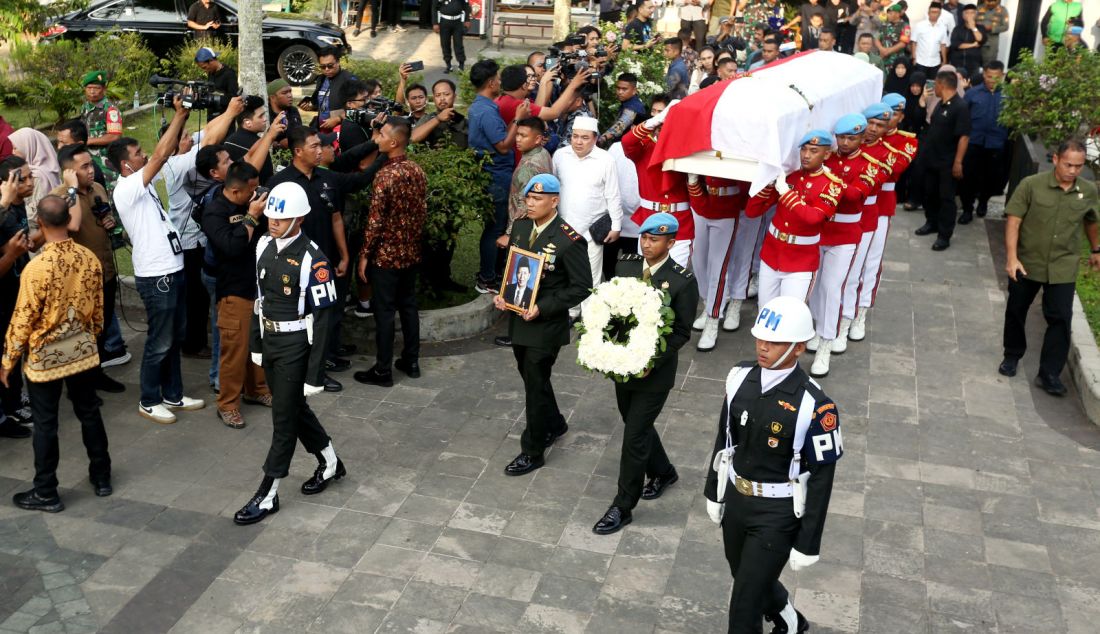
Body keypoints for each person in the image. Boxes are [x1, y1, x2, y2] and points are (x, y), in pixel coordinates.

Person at [703, 296, 843, 634]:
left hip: (777, 513)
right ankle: (789, 618)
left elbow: (822, 479)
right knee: (744, 575)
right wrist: (714, 491)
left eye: (775, 341)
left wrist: (808, 543)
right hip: (738, 499)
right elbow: (725, 439)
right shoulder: (739, 377)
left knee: (744, 603)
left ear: (799, 348)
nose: (763, 347)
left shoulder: (815, 405)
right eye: (760, 338)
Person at [233, 182, 346, 525]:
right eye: (271, 216)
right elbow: (260, 300)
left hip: (297, 346)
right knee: (294, 409)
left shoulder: (314, 259)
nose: (273, 223)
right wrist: (255, 344)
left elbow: (325, 320)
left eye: (281, 219)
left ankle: (268, 495)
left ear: (299, 219)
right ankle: (330, 462)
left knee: (283, 421)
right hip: (270, 342)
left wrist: (315, 374)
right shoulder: (264, 245)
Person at [4, 195, 111, 513]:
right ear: (68, 220)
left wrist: (8, 360)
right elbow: (98, 310)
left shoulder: (36, 270)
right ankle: (102, 476)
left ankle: (46, 491)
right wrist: (91, 337)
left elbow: (22, 319)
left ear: (39, 223)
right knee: (89, 412)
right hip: (82, 350)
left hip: (45, 360)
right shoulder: (88, 258)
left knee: (46, 423)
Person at [592, 213, 698, 535]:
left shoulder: (681, 281)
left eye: (654, 239)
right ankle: (664, 472)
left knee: (634, 436)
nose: (647, 244)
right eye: (644, 238)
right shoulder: (625, 266)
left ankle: (623, 506)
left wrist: (653, 358)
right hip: (622, 367)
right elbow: (609, 305)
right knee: (634, 423)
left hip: (654, 374)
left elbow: (681, 332)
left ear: (671, 243)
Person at [107, 99, 207, 424]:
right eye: (138, 154)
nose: (145, 155)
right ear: (126, 165)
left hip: (173, 268)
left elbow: (162, 155)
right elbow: (164, 153)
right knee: (159, 341)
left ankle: (172, 394)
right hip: (157, 275)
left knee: (174, 337)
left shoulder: (143, 186)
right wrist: (180, 115)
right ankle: (149, 399)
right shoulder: (127, 189)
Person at [267, 126, 386, 392]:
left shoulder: (326, 178)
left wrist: (344, 256)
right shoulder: (282, 184)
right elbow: (273, 226)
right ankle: (312, 374)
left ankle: (325, 361)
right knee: (306, 321)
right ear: (297, 151)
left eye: (320, 146)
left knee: (327, 316)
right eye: (314, 147)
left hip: (326, 263)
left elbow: (336, 216)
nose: (320, 151)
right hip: (296, 267)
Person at [492, 174, 591, 476]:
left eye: (537, 199)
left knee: (534, 385)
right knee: (530, 375)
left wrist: (543, 307)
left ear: (554, 201)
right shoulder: (522, 227)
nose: (530, 203)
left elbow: (581, 286)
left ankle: (532, 449)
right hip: (519, 319)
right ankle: (555, 422)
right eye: (528, 198)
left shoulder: (568, 240)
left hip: (545, 324)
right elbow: (514, 266)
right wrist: (504, 293)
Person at [1000, 139, 1099, 396]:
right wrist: (1012, 257)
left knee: (1060, 318)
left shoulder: (1087, 191)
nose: (1074, 171)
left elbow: (1091, 219)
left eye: (1079, 166)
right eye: (1068, 164)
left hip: (1063, 265)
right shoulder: (1031, 185)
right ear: (1055, 159)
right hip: (1028, 261)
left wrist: (1096, 249)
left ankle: (1049, 373)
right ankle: (1012, 355)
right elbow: (1013, 221)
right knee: (1016, 310)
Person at [157, 100, 243, 363]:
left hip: (194, 239)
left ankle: (191, 340)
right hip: (190, 242)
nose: (189, 139)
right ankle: (193, 343)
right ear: (172, 144)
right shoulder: (176, 165)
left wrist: (226, 108)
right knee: (196, 296)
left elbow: (207, 132)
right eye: (183, 137)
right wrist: (231, 113)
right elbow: (209, 143)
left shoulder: (183, 154)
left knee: (195, 295)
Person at [353, 118, 427, 387]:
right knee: (408, 306)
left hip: (385, 256)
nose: (377, 138)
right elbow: (421, 213)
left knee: (384, 312)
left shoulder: (384, 175)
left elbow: (375, 221)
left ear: (393, 142)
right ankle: (412, 361)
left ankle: (383, 370)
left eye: (382, 135)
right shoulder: (416, 170)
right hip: (411, 253)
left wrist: (364, 255)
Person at [808, 114, 881, 377]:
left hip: (846, 233)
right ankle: (818, 329)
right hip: (821, 229)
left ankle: (827, 342)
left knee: (833, 287)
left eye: (852, 138)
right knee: (816, 286)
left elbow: (854, 195)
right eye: (842, 137)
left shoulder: (869, 164)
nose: (846, 142)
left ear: (862, 138)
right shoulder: (829, 158)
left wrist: (825, 175)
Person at [50, 146, 126, 395]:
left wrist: (109, 223)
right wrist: (72, 189)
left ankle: (97, 374)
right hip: (78, 279)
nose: (92, 170)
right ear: (69, 171)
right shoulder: (59, 197)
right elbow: (69, 227)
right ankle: (79, 387)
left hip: (104, 270)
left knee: (100, 328)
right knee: (79, 334)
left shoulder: (98, 190)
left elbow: (103, 220)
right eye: (84, 167)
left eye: (91, 164)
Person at [201, 161, 272, 428]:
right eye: (251, 189)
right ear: (235, 190)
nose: (255, 194)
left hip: (258, 287)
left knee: (259, 344)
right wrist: (252, 217)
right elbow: (231, 247)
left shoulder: (250, 202)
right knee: (235, 351)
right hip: (233, 290)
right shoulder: (214, 213)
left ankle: (257, 389)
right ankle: (228, 404)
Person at [744, 130, 843, 307]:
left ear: (826, 154)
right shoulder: (791, 176)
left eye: (813, 151)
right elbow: (753, 211)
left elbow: (814, 218)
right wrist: (767, 183)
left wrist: (785, 192)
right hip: (772, 254)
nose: (806, 155)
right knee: (765, 314)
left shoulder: (832, 185)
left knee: (789, 319)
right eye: (803, 149)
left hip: (801, 261)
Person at [552, 116, 622, 319]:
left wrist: (616, 226)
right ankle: (571, 312)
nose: (578, 142)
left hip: (592, 229)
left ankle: (590, 317)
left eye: (584, 137)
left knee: (590, 275)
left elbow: (613, 194)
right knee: (566, 272)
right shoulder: (560, 156)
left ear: (595, 138)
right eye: (575, 137)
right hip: (564, 228)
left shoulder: (606, 160)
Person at [468, 60, 526, 294]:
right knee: (495, 229)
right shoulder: (486, 112)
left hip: (492, 174)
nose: (501, 82)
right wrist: (518, 118)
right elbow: (503, 146)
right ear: (491, 82)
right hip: (496, 177)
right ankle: (487, 278)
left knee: (495, 227)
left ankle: (491, 274)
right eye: (498, 79)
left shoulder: (480, 106)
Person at [622, 102, 694, 267]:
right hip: (650, 218)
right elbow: (627, 142)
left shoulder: (687, 150)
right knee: (648, 277)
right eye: (662, 127)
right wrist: (656, 119)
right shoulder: (645, 147)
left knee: (675, 278)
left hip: (679, 223)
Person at [687, 173, 748, 351]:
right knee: (698, 262)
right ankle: (707, 304)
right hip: (701, 200)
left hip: (727, 206)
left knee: (718, 268)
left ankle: (713, 319)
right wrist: (692, 182)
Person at [914, 70, 969, 251]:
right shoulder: (940, 105)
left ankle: (944, 235)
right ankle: (932, 222)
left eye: (935, 84)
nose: (933, 88)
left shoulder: (960, 107)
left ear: (942, 85)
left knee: (946, 198)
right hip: (932, 159)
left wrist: (958, 162)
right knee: (930, 193)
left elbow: (963, 137)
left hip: (947, 162)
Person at [0, 158, 36, 431]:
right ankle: (8, 409)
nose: (29, 183)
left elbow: (26, 244)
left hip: (16, 290)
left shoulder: (16, 207)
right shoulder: (4, 211)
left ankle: (13, 399)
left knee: (15, 348)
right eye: (21, 179)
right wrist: (12, 254)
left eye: (30, 176)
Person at [501, 117, 553, 281]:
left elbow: (526, 205)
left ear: (538, 139)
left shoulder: (529, 166)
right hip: (539, 224)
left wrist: (509, 234)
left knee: (520, 276)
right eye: (517, 134)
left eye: (523, 136)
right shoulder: (542, 152)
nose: (517, 139)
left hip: (525, 230)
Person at [959, 61, 1006, 222]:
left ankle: (983, 203)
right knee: (969, 177)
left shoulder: (1008, 95)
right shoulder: (972, 93)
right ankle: (967, 208)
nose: (992, 80)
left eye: (996, 77)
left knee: (990, 177)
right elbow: (963, 118)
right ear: (983, 74)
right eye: (989, 76)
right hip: (974, 142)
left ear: (1002, 76)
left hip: (996, 143)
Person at [79, 71, 122, 191]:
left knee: (110, 192)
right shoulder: (85, 108)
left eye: (96, 88)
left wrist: (89, 141)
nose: (92, 92)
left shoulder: (110, 110)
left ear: (104, 89)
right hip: (89, 160)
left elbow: (114, 136)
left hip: (107, 163)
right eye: (89, 88)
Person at [9, 128, 60, 224]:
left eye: (15, 148)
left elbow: (34, 213)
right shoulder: (49, 166)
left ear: (28, 147)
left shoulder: (36, 175)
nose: (13, 152)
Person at [303, 48, 358, 132]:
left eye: (330, 66)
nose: (326, 69)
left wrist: (338, 119)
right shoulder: (321, 79)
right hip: (322, 129)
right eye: (322, 67)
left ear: (338, 62)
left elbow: (359, 108)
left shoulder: (349, 80)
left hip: (342, 130)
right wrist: (312, 107)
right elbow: (324, 104)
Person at [411, 79, 469, 148]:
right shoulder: (428, 118)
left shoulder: (463, 121)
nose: (442, 98)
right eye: (438, 95)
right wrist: (438, 119)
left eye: (446, 94)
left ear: (454, 97)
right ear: (434, 99)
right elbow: (412, 138)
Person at [598, 74, 649, 147]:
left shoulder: (634, 106)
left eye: (624, 89)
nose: (620, 92)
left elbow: (622, 123)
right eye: (618, 88)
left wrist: (603, 138)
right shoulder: (628, 102)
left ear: (634, 90)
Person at [194, 47, 238, 118]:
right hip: (211, 116)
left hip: (225, 118)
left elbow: (234, 98)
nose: (205, 70)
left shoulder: (229, 74)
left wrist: (214, 98)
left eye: (204, 67)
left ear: (211, 60)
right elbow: (212, 90)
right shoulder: (211, 72)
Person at [910, 1, 950, 77]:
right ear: (928, 12)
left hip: (935, 62)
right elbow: (914, 42)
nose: (934, 14)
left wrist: (944, 60)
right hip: (920, 61)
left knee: (932, 84)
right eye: (932, 12)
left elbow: (943, 45)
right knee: (919, 83)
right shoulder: (919, 25)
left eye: (937, 12)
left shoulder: (943, 28)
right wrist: (914, 58)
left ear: (940, 13)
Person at [432, 0, 471, 73]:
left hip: (457, 22)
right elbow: (434, 7)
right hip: (444, 22)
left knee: (459, 44)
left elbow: (466, 6)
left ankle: (461, 65)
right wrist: (435, 23)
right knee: (445, 43)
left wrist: (467, 20)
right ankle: (448, 65)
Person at [948, 4, 986, 77]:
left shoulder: (981, 28)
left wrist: (973, 27)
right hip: (957, 63)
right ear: (963, 15)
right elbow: (956, 45)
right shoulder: (957, 29)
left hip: (974, 63)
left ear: (976, 15)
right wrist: (973, 45)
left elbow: (980, 39)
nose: (969, 15)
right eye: (967, 13)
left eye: (972, 13)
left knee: (972, 84)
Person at [268, 79, 303, 149]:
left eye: (290, 91)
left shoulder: (293, 111)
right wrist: (278, 145)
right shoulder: (266, 115)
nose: (290, 95)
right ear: (272, 98)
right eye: (284, 93)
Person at [875, 3, 911, 69]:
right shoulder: (884, 24)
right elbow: (876, 38)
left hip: (896, 59)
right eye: (888, 13)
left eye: (891, 13)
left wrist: (888, 51)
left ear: (897, 14)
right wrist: (881, 49)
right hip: (882, 56)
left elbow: (903, 43)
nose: (888, 15)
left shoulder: (905, 26)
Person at [976, 0, 1009, 65]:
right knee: (974, 61)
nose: (990, 3)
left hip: (991, 42)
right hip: (977, 40)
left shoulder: (1003, 10)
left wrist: (992, 29)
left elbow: (1005, 27)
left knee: (989, 63)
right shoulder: (978, 8)